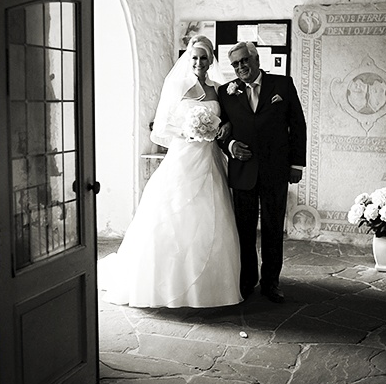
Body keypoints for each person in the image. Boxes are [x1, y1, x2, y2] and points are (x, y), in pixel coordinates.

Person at [98, 36, 243, 308]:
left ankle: (212, 285)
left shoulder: (218, 88)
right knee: (174, 215)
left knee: (213, 215)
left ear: (212, 60)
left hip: (209, 159)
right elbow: (160, 129)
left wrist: (225, 128)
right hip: (183, 157)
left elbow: (228, 121)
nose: (199, 62)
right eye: (195, 58)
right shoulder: (177, 85)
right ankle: (168, 283)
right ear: (189, 60)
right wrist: (188, 131)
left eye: (204, 57)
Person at [217, 41, 307, 304]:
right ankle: (247, 280)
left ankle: (271, 282)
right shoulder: (226, 92)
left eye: (244, 61)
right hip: (243, 171)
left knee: (272, 228)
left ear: (255, 59)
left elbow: (297, 125)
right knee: (244, 230)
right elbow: (220, 130)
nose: (240, 67)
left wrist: (296, 165)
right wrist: (231, 146)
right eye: (235, 64)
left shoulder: (282, 85)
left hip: (275, 170)